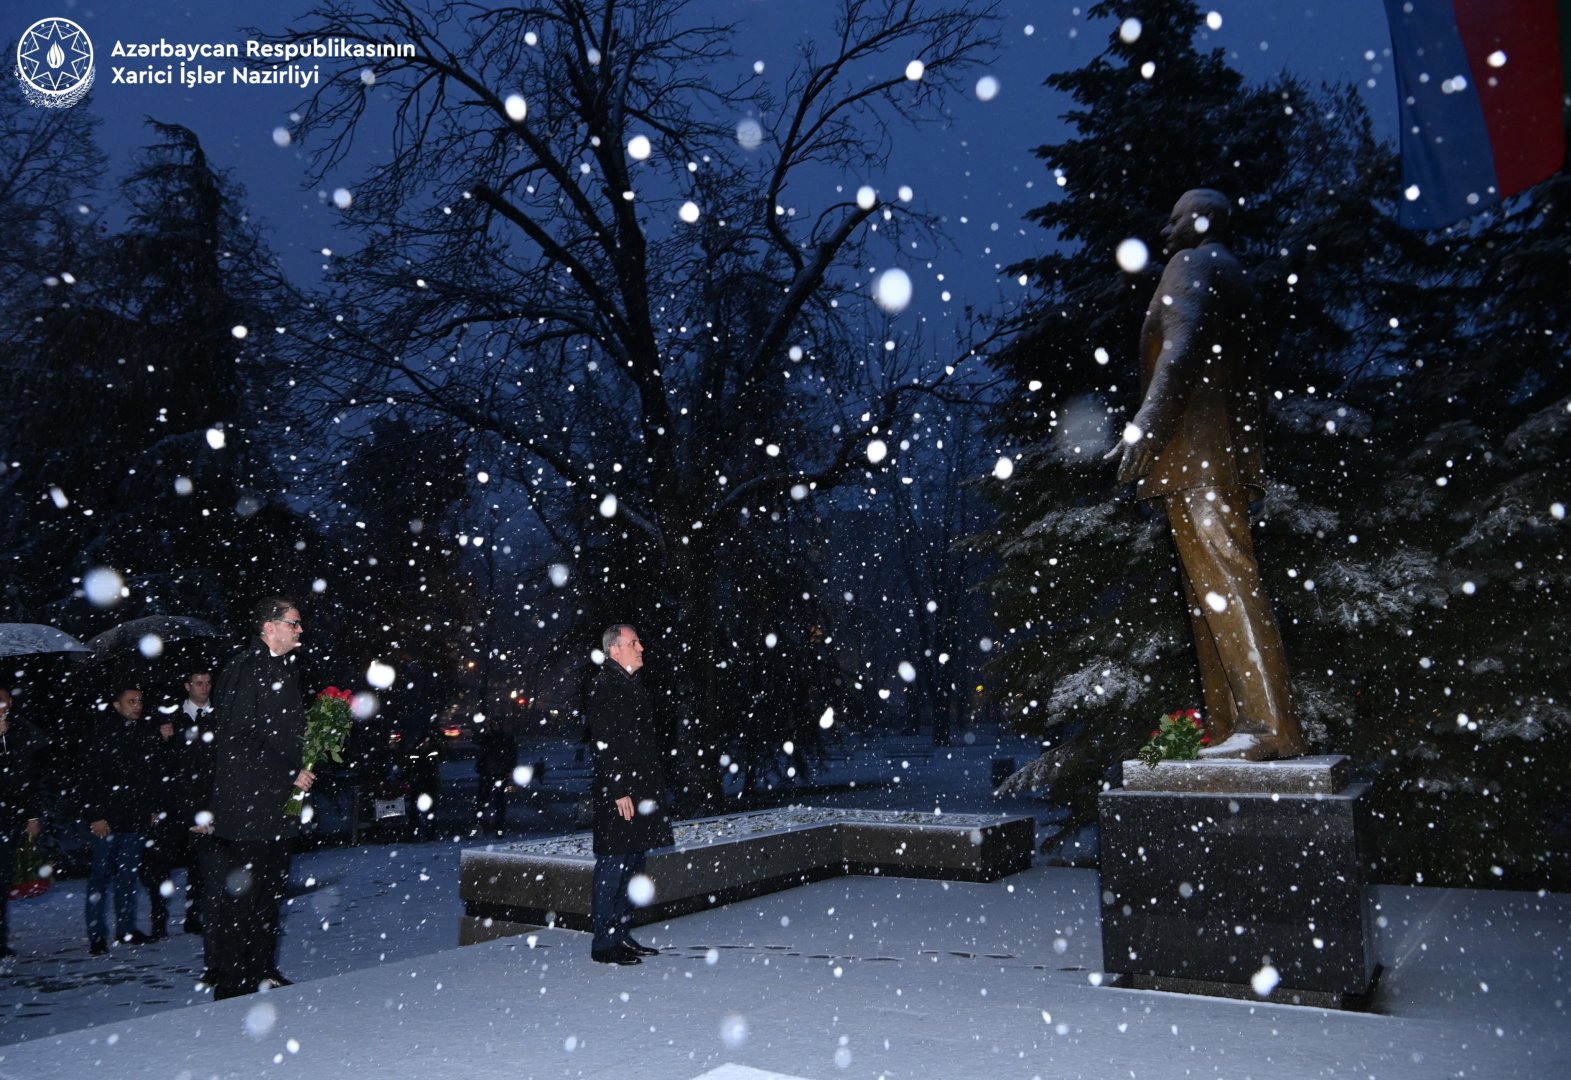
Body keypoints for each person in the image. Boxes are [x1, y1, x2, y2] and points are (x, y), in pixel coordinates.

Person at [1106, 188, 1307, 761]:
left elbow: (1182, 344)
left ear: (1199, 222)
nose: (1167, 235)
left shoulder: (1193, 263)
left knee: (1224, 582)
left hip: (1199, 453)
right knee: (1209, 595)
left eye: (1174, 223)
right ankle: (1230, 726)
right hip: (1221, 453)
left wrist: (1146, 423)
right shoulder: (1234, 273)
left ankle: (1269, 727)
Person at [204, 598, 315, 998]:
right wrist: (290, 771)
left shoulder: (285, 669)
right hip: (249, 805)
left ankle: (262, 970)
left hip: (279, 805)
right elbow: (240, 736)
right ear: (270, 627)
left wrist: (310, 752)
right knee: (243, 897)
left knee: (270, 895)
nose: (300, 630)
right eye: (294, 623)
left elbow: (285, 733)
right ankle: (231, 981)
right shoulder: (245, 668)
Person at [585, 624, 672, 965]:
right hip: (620, 794)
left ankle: (620, 934)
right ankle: (604, 943)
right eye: (633, 642)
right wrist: (619, 788)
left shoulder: (629, 685)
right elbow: (604, 743)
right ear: (615, 650)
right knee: (614, 865)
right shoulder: (605, 685)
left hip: (639, 790)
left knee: (632, 864)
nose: (641, 647)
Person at [81, 686, 158, 953]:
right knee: (100, 878)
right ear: (116, 705)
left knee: (128, 877)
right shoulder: (101, 733)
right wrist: (95, 815)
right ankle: (97, 934)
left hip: (135, 818)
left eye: (139, 700)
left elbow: (150, 773)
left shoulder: (145, 732)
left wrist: (150, 807)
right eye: (131, 701)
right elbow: (89, 777)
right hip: (108, 819)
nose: (137, 705)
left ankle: (126, 929)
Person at [0, 688, 44, 960]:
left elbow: (27, 776)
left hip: (6, 817)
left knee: (2, 877)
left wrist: (32, 815)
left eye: (3, 700)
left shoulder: (21, 730)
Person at [178, 671, 217, 935]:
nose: (204, 688)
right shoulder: (174, 716)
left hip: (213, 795)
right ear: (188, 686)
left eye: (207, 683)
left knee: (209, 858)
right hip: (184, 796)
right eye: (199, 683)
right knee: (189, 858)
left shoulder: (220, 714)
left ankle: (205, 913)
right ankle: (188, 915)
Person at [473, 719, 518, 836]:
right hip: (490, 771)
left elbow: (512, 754)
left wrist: (509, 768)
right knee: (487, 801)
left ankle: (497, 828)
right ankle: (489, 828)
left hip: (497, 772)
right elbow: (479, 744)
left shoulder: (504, 738)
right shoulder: (490, 737)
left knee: (496, 802)